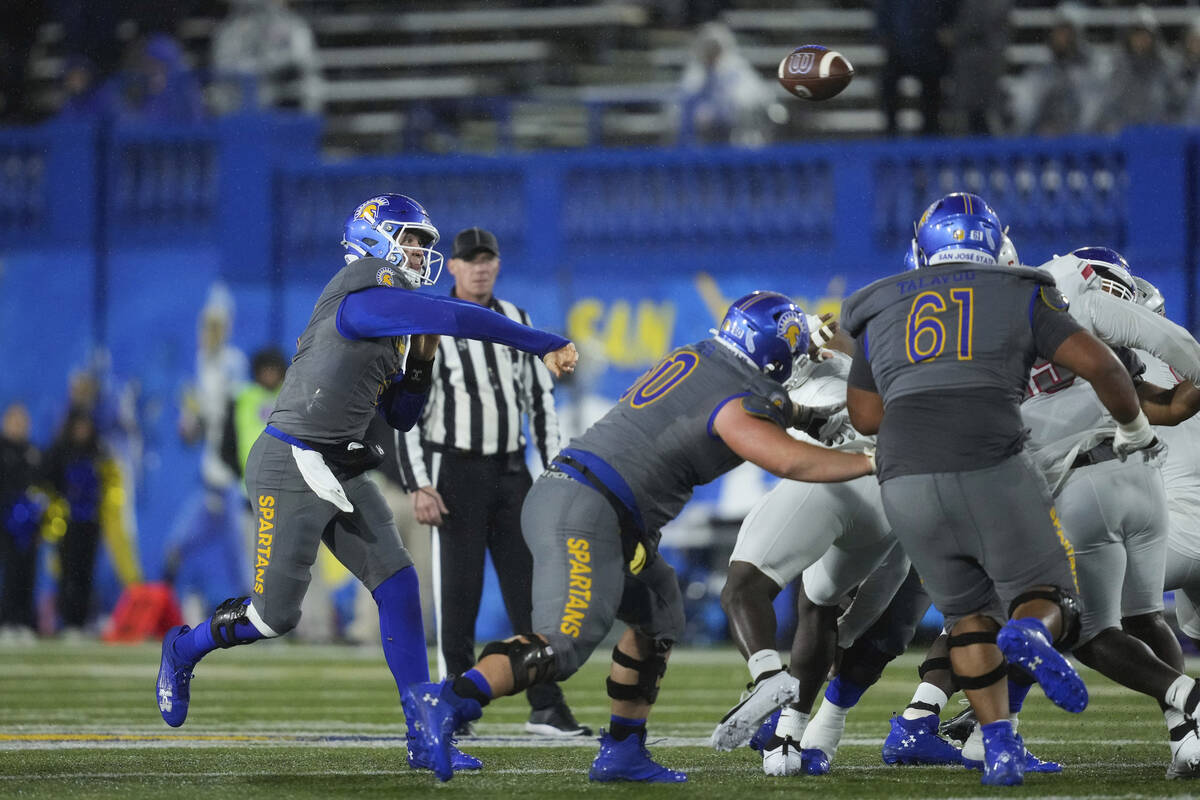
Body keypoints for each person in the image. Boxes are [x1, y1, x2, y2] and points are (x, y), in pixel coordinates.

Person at [154, 193, 578, 778]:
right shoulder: (361, 296)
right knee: (275, 617)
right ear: (375, 240)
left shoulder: (395, 312)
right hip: (292, 463)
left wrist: (422, 362)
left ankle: (422, 735)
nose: (419, 253)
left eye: (425, 243)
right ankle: (185, 645)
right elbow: (456, 316)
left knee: (399, 585)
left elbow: (402, 414)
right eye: (410, 240)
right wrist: (544, 341)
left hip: (344, 465)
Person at [403, 290, 876, 783]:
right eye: (795, 349)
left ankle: (623, 750)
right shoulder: (737, 399)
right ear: (774, 351)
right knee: (564, 644)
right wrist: (869, 460)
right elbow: (787, 459)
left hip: (598, 506)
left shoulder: (703, 358)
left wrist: (806, 417)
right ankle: (450, 701)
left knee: (659, 611)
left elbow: (769, 413)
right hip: (589, 511)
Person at [840, 192, 1160, 786]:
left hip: (902, 474)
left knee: (965, 616)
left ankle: (1001, 749)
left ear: (921, 249)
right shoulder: (1021, 289)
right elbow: (1104, 367)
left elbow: (864, 417)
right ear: (996, 245)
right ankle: (1032, 632)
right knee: (1054, 598)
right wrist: (1134, 430)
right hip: (989, 458)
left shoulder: (877, 303)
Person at [395, 227, 588, 738]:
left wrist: (552, 472)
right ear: (453, 267)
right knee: (459, 598)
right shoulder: (432, 321)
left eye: (488, 259)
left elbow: (541, 403)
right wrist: (418, 482)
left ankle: (545, 702)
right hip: (454, 471)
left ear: (497, 265)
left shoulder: (517, 319)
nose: (480, 267)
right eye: (470, 260)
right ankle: (454, 701)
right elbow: (406, 407)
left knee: (532, 594)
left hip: (510, 472)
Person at [164, 287, 250, 613]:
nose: (208, 333)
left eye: (215, 325)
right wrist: (189, 420)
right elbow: (193, 433)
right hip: (209, 479)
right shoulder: (200, 365)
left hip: (231, 479)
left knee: (241, 555)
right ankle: (162, 608)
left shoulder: (234, 364)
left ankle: (255, 618)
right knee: (177, 545)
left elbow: (235, 422)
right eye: (205, 325)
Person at [210, 0, 324, 115]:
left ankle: (307, 124)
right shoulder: (228, 31)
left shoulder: (295, 25)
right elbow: (224, 66)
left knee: (310, 85)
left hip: (282, 82)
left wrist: (273, 64)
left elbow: (302, 58)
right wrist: (259, 67)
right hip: (244, 88)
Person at [677, 21, 776, 147]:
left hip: (738, 140)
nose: (712, 52)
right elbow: (687, 103)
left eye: (715, 47)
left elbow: (757, 97)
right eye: (708, 47)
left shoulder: (739, 69)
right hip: (704, 141)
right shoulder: (695, 73)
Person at [0, 403, 43, 640]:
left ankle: (24, 620)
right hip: (5, 522)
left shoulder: (32, 452)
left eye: (23, 422)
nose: (19, 426)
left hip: (28, 525)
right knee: (9, 571)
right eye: (15, 421)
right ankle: (6, 620)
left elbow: (40, 486)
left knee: (27, 571)